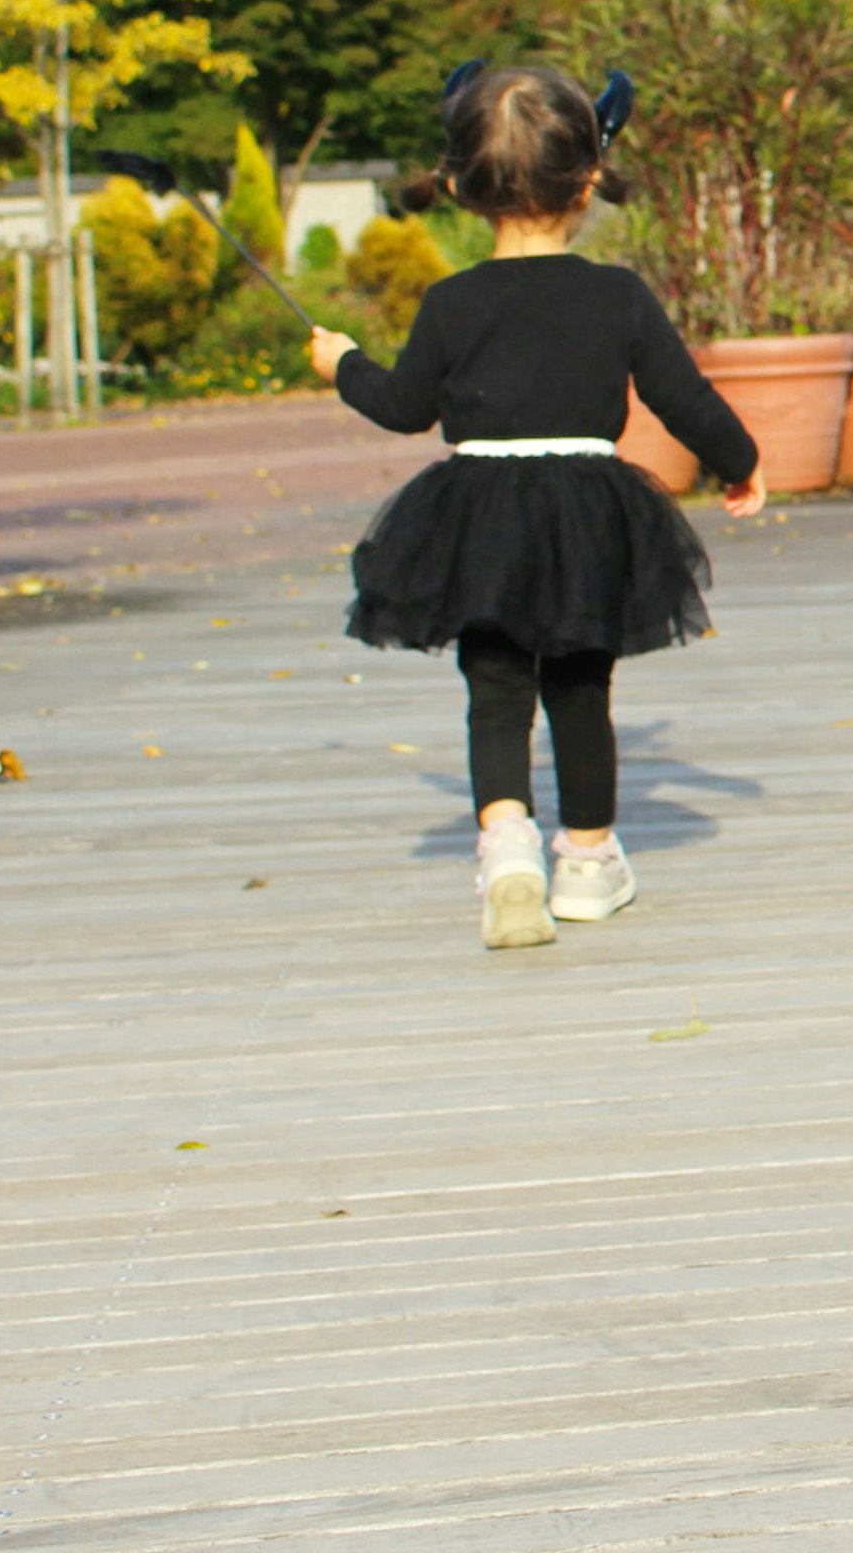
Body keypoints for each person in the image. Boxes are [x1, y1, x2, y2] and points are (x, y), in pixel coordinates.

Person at [311, 62, 764, 951]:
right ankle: (589, 862)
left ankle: (508, 842)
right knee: (580, 691)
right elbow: (685, 397)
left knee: (494, 690)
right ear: (590, 178)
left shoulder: (451, 303)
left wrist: (344, 366)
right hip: (589, 511)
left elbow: (406, 408)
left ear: (458, 186)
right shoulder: (617, 295)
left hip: (476, 511)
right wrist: (738, 461)